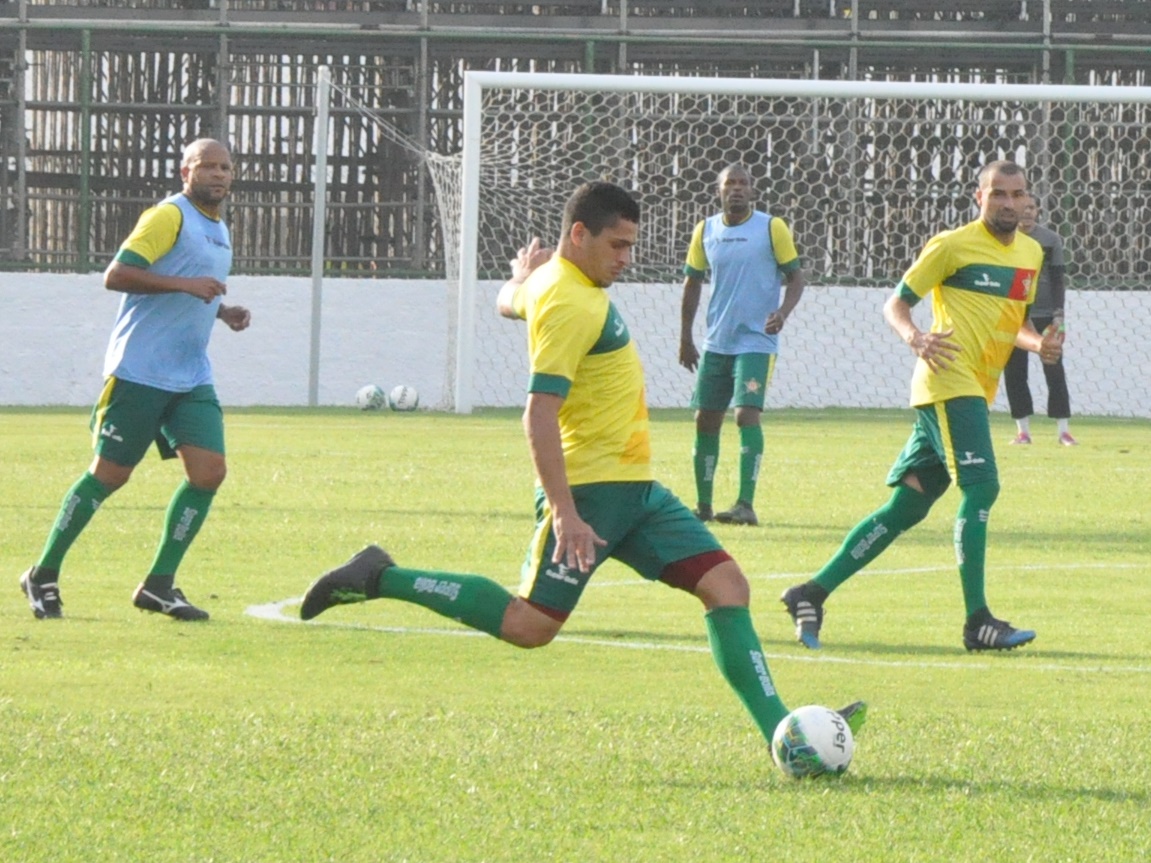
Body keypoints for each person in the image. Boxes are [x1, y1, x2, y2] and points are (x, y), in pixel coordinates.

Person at [300, 181, 865, 749]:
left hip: (636, 491)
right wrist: (565, 512)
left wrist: (522, 276)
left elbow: (508, 300)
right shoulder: (568, 303)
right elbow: (538, 413)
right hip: (590, 494)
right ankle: (379, 576)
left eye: (631, 246)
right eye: (617, 245)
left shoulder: (554, 280)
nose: (626, 259)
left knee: (727, 586)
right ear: (578, 234)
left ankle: (784, 734)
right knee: (529, 626)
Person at [780, 160, 1064, 652]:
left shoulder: (1031, 252)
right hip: (949, 380)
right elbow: (896, 303)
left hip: (975, 388)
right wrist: (914, 336)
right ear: (979, 197)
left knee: (906, 507)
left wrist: (1039, 345)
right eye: (998, 193)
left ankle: (811, 593)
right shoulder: (950, 245)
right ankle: (978, 622)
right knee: (982, 487)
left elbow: (1015, 322)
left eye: (1018, 194)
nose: (1010, 203)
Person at [18, 138, 251, 622]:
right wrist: (187, 285)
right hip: (141, 371)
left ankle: (158, 585)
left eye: (226, 167)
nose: (219, 174)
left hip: (190, 375)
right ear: (185, 171)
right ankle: (43, 573)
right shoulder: (168, 216)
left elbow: (185, 291)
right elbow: (118, 274)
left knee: (209, 473)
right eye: (207, 166)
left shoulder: (218, 227)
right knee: (109, 476)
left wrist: (221, 311)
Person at [679, 163, 806, 527]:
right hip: (717, 342)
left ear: (752, 191)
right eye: (729, 183)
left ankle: (745, 504)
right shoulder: (705, 230)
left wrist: (782, 312)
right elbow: (692, 283)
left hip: (756, 341)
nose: (736, 188)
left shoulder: (771, 227)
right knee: (705, 418)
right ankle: (703, 506)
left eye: (743, 183)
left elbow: (796, 277)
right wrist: (685, 337)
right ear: (718, 191)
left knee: (745, 414)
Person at [1003, 195, 1076, 445]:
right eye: (1023, 208)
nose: (1027, 213)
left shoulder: (1050, 240)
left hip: (1045, 314)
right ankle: (1023, 432)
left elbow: (1057, 279)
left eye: (1031, 208)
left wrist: (1059, 315)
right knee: (1015, 372)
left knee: (1054, 370)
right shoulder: (1006, 238)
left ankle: (1063, 431)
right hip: (1015, 315)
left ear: (1037, 211)